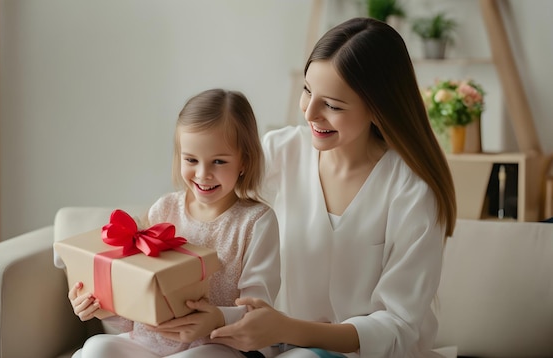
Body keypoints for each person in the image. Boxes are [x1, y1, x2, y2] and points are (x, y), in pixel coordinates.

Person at [209, 17, 457, 358]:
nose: (310, 112)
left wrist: (285, 328)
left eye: (332, 105)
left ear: (377, 109)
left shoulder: (411, 189)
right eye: (308, 90)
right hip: (272, 346)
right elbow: (205, 217)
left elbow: (398, 326)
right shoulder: (279, 152)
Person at [68, 88, 281, 357]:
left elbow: (259, 312)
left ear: (244, 162)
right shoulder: (164, 209)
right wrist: (105, 308)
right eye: (191, 159)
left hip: (217, 346)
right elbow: (137, 303)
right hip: (149, 343)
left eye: (218, 161)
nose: (203, 174)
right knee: (96, 348)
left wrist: (216, 318)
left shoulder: (256, 223)